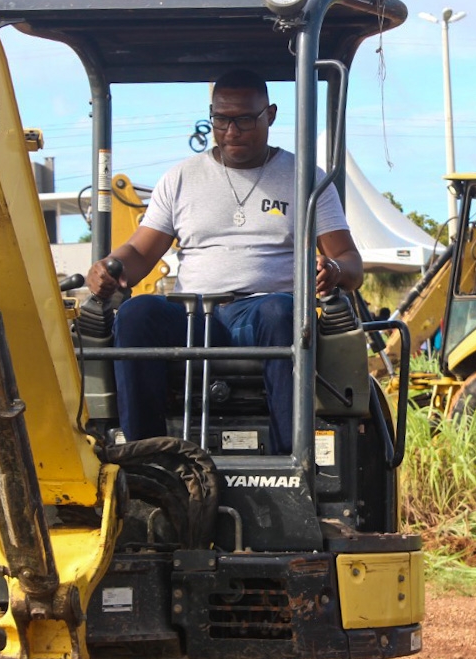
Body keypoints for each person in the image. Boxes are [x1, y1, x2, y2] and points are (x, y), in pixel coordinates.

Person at [85, 69, 362, 456]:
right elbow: (141, 254)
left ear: (271, 115)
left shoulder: (304, 178)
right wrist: (109, 266)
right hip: (192, 316)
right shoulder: (181, 177)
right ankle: (146, 459)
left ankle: (291, 463)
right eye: (221, 119)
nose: (232, 131)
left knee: (281, 311)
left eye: (245, 119)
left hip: (260, 316)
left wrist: (333, 271)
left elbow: (350, 262)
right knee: (135, 315)